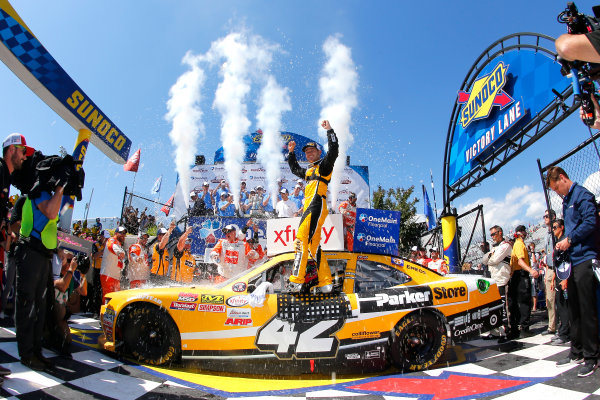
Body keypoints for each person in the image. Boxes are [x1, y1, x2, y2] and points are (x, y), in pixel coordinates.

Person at [547, 166, 599, 376]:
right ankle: (577, 350)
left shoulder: (582, 194)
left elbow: (590, 222)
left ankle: (592, 356)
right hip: (573, 260)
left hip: (586, 258)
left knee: (588, 310)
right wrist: (562, 243)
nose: (557, 192)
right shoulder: (567, 200)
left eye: (557, 187)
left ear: (562, 178)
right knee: (574, 309)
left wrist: (570, 239)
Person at [15, 162, 64, 370]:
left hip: (43, 254)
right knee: (27, 305)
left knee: (40, 307)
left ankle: (37, 351)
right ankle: (27, 354)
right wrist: (61, 188)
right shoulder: (39, 191)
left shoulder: (46, 192)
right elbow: (52, 213)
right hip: (31, 252)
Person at [285, 120, 338, 293]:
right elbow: (294, 169)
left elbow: (334, 151)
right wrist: (291, 152)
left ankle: (296, 281)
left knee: (300, 240)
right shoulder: (309, 171)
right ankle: (326, 283)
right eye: (306, 152)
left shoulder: (324, 166)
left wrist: (329, 130)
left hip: (316, 206)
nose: (309, 154)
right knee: (314, 247)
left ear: (319, 152)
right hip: (310, 208)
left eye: (312, 151)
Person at [46, 250, 87, 357]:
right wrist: (71, 269)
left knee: (67, 340)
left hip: (60, 315)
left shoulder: (71, 276)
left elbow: (83, 291)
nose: (71, 262)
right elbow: (63, 286)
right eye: (68, 260)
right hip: (46, 313)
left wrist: (83, 274)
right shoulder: (54, 274)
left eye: (72, 260)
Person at [507, 225, 539, 340]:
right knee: (524, 302)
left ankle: (516, 327)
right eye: (524, 231)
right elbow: (520, 261)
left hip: (515, 275)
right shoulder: (519, 244)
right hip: (521, 274)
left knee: (515, 302)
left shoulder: (516, 244)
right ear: (521, 233)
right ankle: (524, 328)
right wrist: (531, 270)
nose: (525, 233)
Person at [482, 225, 512, 342]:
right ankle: (494, 331)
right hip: (493, 280)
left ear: (500, 233)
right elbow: (484, 260)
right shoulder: (495, 248)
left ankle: (506, 332)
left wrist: (490, 257)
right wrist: (490, 257)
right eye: (491, 235)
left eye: (494, 234)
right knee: (493, 307)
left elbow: (493, 260)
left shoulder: (506, 245)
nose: (492, 237)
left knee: (503, 307)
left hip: (502, 280)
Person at [550, 218, 571, 346]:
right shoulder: (557, 241)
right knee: (560, 305)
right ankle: (563, 331)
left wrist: (565, 279)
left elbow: (567, 261)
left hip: (564, 276)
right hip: (558, 276)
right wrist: (553, 280)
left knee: (565, 306)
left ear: (562, 227)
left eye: (555, 227)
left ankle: (566, 333)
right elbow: (557, 263)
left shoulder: (564, 241)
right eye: (552, 228)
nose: (553, 230)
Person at [99, 226, 127, 301]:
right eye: (121, 233)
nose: (123, 235)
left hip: (115, 276)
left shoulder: (119, 244)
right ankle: (104, 313)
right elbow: (112, 246)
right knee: (108, 298)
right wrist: (119, 252)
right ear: (116, 233)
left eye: (124, 233)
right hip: (108, 274)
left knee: (116, 299)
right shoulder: (111, 240)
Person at [542, 210, 557, 337]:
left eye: (547, 216)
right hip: (549, 268)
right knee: (549, 299)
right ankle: (552, 326)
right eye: (544, 216)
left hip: (558, 268)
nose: (545, 218)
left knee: (560, 299)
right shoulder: (547, 234)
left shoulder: (555, 232)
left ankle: (563, 325)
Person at [90, 230, 109, 316]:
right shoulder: (95, 245)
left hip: (105, 271)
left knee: (104, 291)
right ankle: (95, 311)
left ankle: (103, 309)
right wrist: (103, 249)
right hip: (97, 270)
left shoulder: (109, 246)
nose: (106, 239)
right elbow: (94, 256)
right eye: (105, 237)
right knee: (96, 291)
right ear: (101, 236)